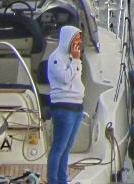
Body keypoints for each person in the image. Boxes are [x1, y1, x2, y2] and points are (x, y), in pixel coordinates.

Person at [46, 26, 85, 184]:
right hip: (63, 107)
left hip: (76, 106)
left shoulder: (73, 58)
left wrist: (76, 60)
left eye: (79, 39)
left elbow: (77, 79)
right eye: (76, 38)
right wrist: (75, 60)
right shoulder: (56, 58)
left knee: (67, 147)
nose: (78, 42)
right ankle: (52, 180)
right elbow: (65, 78)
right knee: (59, 146)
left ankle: (62, 179)